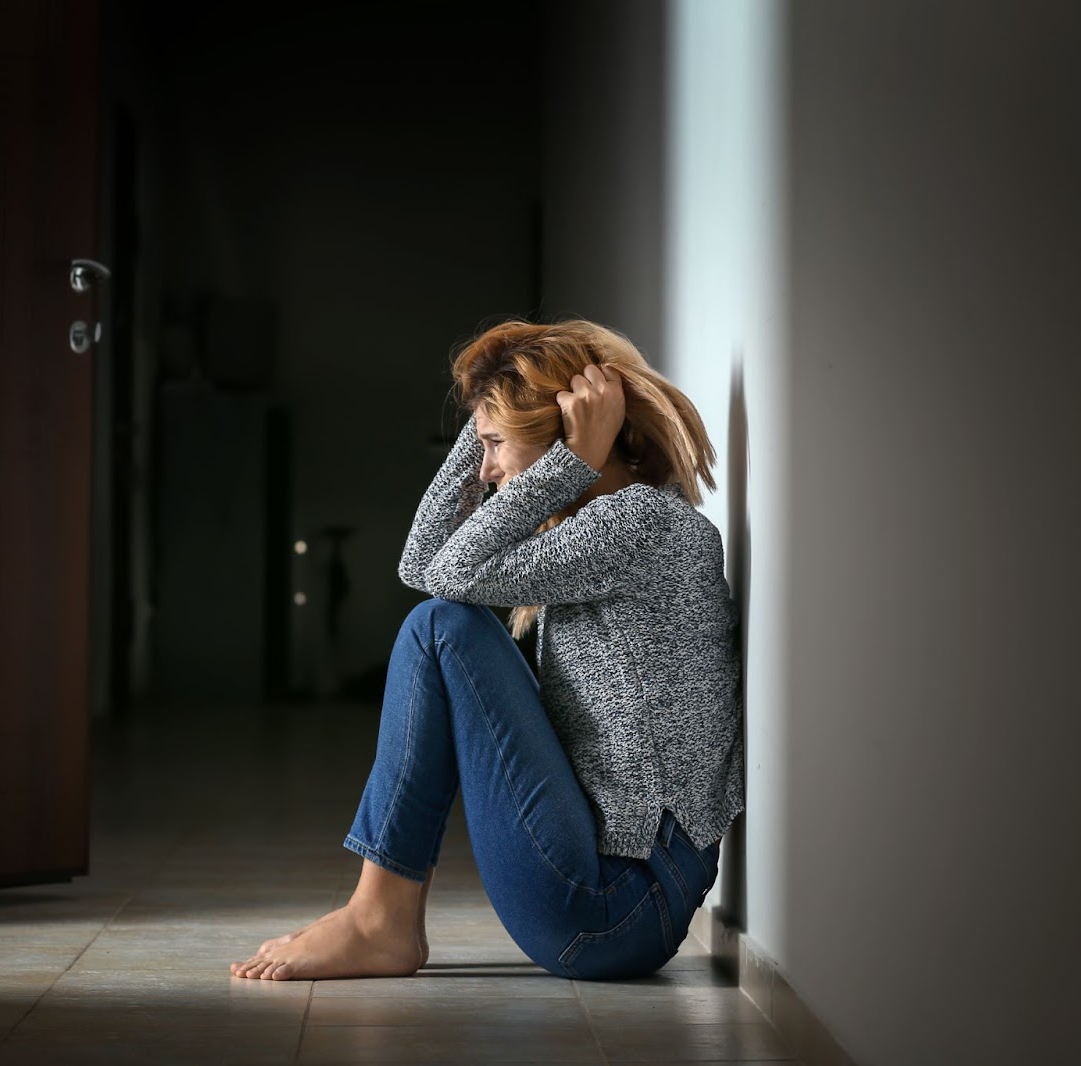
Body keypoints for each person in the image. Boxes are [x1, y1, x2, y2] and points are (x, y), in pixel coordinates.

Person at [230, 319, 744, 982]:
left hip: (614, 909)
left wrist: (567, 461)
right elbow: (424, 560)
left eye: (496, 445)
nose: (486, 470)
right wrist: (492, 413)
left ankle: (377, 919)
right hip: (618, 901)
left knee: (441, 627)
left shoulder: (636, 525)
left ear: (567, 442)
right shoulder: (615, 522)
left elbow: (441, 575)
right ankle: (376, 919)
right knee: (440, 623)